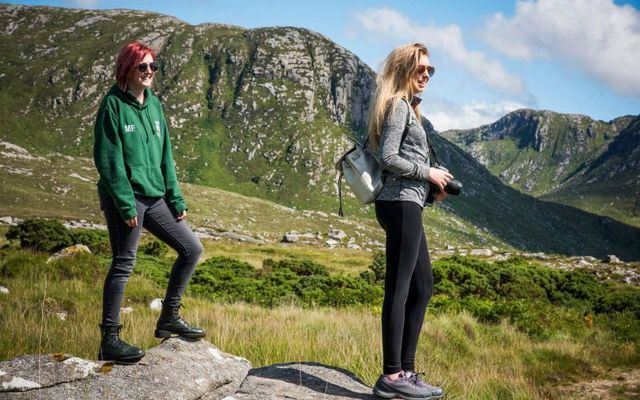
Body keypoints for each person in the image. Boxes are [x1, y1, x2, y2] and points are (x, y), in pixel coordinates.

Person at [94, 41, 205, 364]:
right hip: (125, 198)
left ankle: (169, 316)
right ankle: (110, 339)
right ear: (127, 68)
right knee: (124, 262)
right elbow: (108, 159)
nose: (149, 72)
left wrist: (175, 197)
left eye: (153, 66)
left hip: (155, 196)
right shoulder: (112, 105)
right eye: (142, 66)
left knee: (191, 249)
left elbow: (165, 156)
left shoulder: (154, 105)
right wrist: (126, 205)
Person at [368, 43, 450, 399]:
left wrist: (431, 186)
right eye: (420, 69)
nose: (426, 75)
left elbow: (403, 163)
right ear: (403, 70)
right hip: (398, 204)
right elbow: (388, 159)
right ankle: (391, 376)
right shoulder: (398, 106)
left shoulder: (411, 109)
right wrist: (427, 171)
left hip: (408, 203)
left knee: (423, 287)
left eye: (430, 70)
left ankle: (408, 371)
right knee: (400, 290)